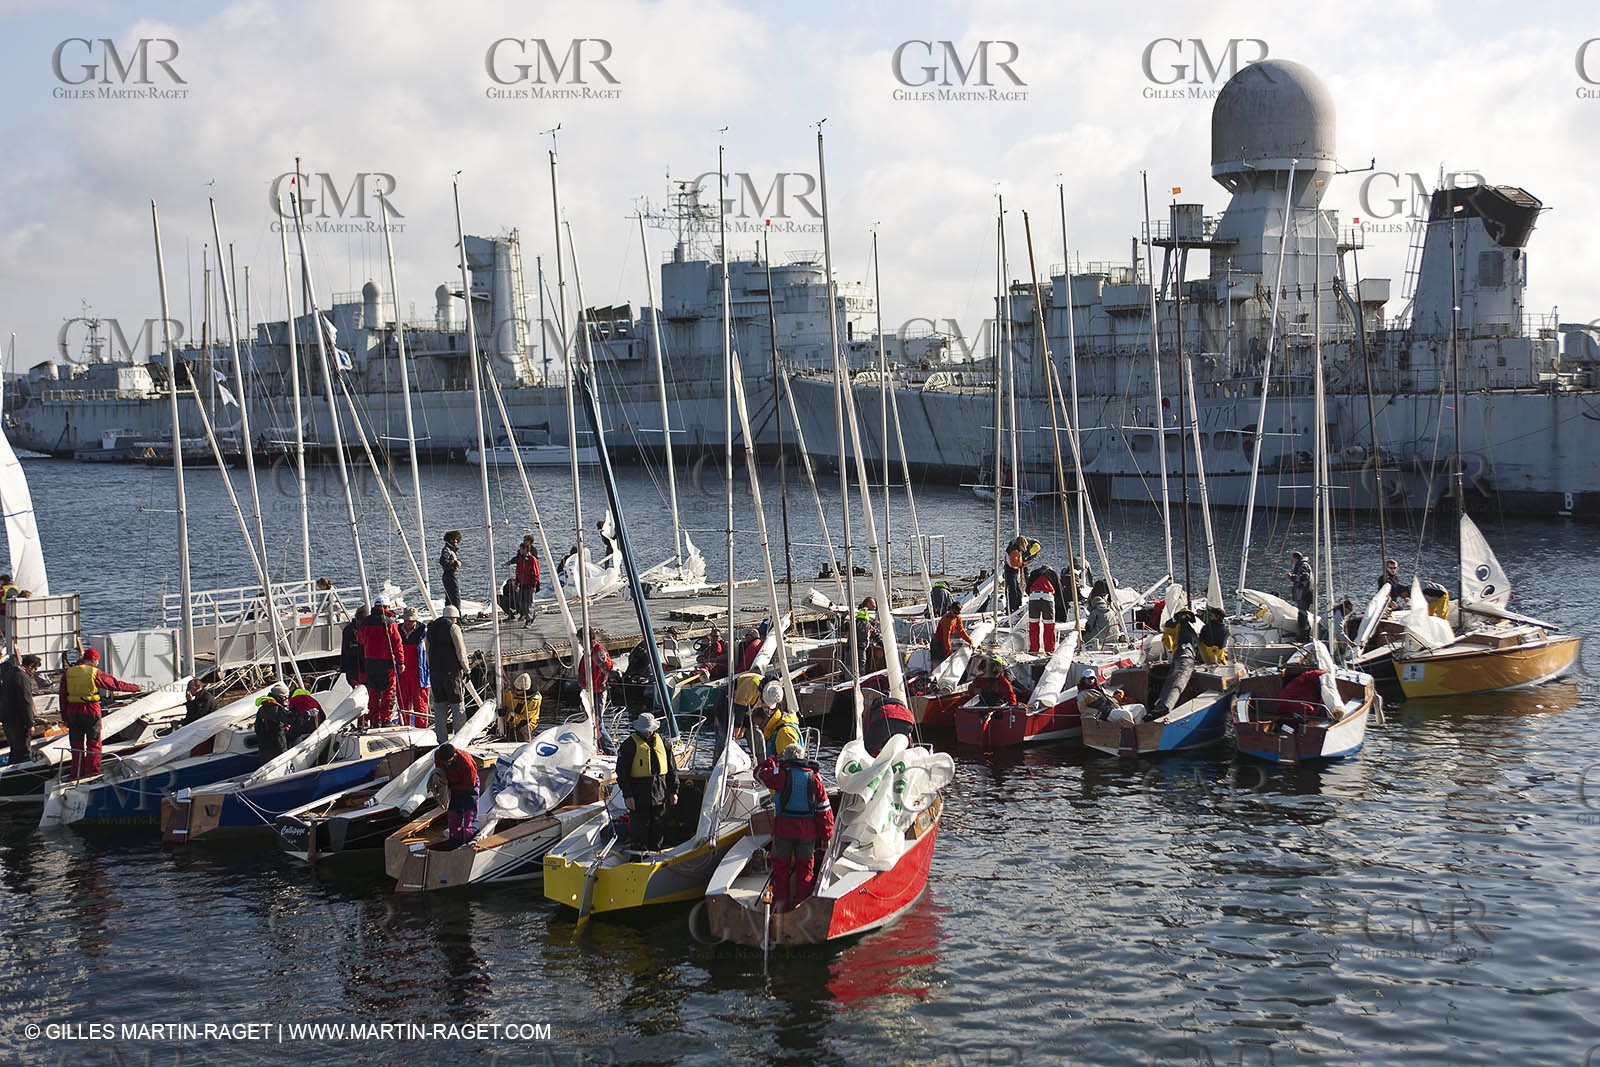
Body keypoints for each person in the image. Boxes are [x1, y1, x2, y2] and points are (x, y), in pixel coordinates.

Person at [756, 742, 834, 909]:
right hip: (807, 833)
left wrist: (772, 759)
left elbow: (758, 774)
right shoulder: (816, 778)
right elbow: (824, 810)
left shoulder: (780, 774)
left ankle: (779, 907)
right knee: (805, 871)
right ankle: (800, 907)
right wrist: (826, 836)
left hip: (783, 830)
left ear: (787, 758)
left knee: (781, 870)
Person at [60, 648, 139, 778]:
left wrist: (65, 717)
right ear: (93, 660)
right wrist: (135, 688)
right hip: (90, 710)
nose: (97, 664)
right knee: (94, 744)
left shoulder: (68, 673)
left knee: (76, 745)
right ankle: (92, 773)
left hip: (72, 711)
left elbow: (62, 697)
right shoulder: (94, 672)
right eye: (97, 661)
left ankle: (76, 774)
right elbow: (115, 684)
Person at [617, 713, 677, 853]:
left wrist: (674, 791)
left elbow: (672, 769)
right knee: (639, 830)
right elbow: (622, 773)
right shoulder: (629, 745)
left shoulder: (664, 742)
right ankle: (637, 857)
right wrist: (628, 795)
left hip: (660, 794)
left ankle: (655, 853)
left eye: (649, 730)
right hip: (639, 796)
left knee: (658, 828)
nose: (647, 733)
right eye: (645, 730)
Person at [356, 597, 405, 727]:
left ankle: (374, 720)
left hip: (370, 663)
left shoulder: (365, 623)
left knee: (373, 693)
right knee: (388, 692)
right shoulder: (390, 623)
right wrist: (400, 662)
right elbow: (397, 644)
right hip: (386, 663)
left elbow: (360, 640)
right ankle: (385, 720)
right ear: (387, 607)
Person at [426, 605, 470, 743]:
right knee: (457, 706)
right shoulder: (453, 628)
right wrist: (467, 669)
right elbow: (460, 651)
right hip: (451, 673)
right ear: (454, 617)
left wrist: (431, 668)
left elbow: (427, 650)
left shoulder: (431, 628)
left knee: (439, 707)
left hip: (435, 672)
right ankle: (459, 739)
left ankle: (441, 740)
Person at [434, 744, 481, 847]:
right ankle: (454, 839)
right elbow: (439, 768)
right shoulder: (438, 755)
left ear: (455, 755)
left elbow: (470, 783)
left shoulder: (466, 762)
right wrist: (438, 776)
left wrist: (453, 787)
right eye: (444, 762)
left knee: (470, 815)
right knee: (453, 815)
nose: (447, 764)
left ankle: (470, 838)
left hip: (469, 787)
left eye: (449, 762)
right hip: (453, 786)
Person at [577, 633, 615, 755]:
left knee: (597, 723)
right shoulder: (588, 652)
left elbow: (608, 667)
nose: (579, 643)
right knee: (590, 721)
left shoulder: (598, 651)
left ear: (586, 639)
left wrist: (602, 661)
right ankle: (596, 746)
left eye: (580, 640)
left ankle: (611, 751)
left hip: (597, 692)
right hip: (589, 692)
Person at [1, 654, 40, 767]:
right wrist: (30, 723)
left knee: (14, 749)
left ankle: (11, 768)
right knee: (23, 751)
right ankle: (23, 771)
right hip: (19, 720)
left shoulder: (9, 674)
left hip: (7, 718)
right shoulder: (22, 677)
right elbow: (25, 701)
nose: (34, 672)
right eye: (35, 668)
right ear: (31, 666)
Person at [397, 607, 431, 727]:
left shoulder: (423, 632)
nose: (408, 623)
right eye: (406, 620)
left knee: (420, 701)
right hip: (402, 672)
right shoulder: (397, 630)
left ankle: (421, 727)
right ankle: (403, 726)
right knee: (403, 701)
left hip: (419, 672)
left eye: (411, 620)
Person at [755, 682, 801, 759]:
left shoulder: (784, 732)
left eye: (759, 724)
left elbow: (791, 761)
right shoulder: (776, 727)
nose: (760, 728)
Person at [253, 683, 293, 762]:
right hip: (277, 748)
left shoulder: (261, 709)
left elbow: (257, 728)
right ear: (279, 697)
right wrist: (306, 714)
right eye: (285, 697)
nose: (286, 699)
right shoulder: (277, 709)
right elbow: (291, 720)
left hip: (264, 748)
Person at [1027, 561, 1060, 654]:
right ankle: (1049, 650)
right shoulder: (1052, 574)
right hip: (1047, 598)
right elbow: (1058, 590)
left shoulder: (1034, 573)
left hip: (1034, 598)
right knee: (1049, 625)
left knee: (1033, 624)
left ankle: (1034, 649)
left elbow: (1027, 588)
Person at [507, 542, 541, 626]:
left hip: (530, 584)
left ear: (526, 549)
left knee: (529, 602)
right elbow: (518, 572)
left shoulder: (532, 559)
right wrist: (516, 583)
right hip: (522, 584)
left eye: (521, 549)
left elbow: (535, 573)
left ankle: (528, 620)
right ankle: (530, 615)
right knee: (522, 602)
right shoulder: (520, 560)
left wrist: (534, 585)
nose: (520, 551)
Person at [502, 673, 541, 742]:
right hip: (506, 720)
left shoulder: (534, 699)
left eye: (518, 690)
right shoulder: (509, 692)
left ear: (524, 691)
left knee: (521, 735)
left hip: (526, 722)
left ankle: (532, 739)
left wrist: (509, 716)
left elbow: (525, 719)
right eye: (514, 688)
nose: (515, 691)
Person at [931, 602, 971, 666]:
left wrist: (970, 641)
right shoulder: (947, 620)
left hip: (944, 642)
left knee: (946, 661)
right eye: (955, 613)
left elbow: (961, 631)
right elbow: (946, 636)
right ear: (951, 610)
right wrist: (949, 651)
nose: (956, 615)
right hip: (937, 643)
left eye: (958, 613)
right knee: (938, 665)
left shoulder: (957, 617)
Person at [1287, 551, 1315, 641]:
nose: (1292, 561)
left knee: (1303, 614)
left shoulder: (1303, 566)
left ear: (1295, 558)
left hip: (1304, 594)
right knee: (1302, 613)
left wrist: (1292, 577)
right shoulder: (1303, 565)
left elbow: (1304, 577)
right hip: (1303, 594)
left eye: (1292, 559)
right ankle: (1303, 634)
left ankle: (1304, 635)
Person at [340, 605, 368, 687]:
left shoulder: (351, 629)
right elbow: (348, 650)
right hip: (354, 668)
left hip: (359, 667)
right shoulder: (350, 630)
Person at [439, 531, 464, 611]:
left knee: (449, 598)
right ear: (450, 540)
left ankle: (449, 615)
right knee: (455, 597)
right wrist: (455, 564)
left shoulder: (451, 550)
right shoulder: (447, 550)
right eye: (454, 540)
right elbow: (443, 561)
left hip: (450, 576)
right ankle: (457, 616)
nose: (456, 543)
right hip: (450, 575)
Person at [1003, 537, 1026, 614]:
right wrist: (1022, 564)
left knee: (1017, 590)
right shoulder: (1014, 551)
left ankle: (1016, 606)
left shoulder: (1015, 550)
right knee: (1013, 590)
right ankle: (1011, 608)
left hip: (1013, 571)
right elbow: (1013, 563)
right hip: (1010, 571)